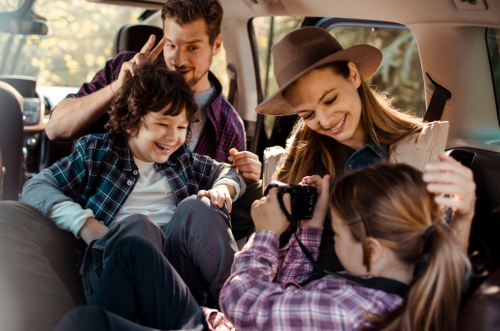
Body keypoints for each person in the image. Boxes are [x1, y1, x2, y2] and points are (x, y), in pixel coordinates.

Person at [53, 163, 470, 331]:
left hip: (232, 321)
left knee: (87, 322)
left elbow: (242, 301)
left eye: (338, 236)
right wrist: (314, 225)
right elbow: (289, 296)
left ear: (374, 250)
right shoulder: (404, 283)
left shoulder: (343, 311)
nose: (334, 241)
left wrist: (267, 234)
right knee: (133, 251)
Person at [0, 63, 244, 331]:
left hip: (172, 282)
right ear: (131, 122)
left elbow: (228, 171)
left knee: (202, 207)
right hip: (115, 274)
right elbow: (36, 186)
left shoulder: (183, 161)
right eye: (162, 124)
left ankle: (244, 306)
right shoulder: (97, 153)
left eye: (182, 127)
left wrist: (224, 187)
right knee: (139, 227)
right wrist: (85, 224)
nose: (173, 138)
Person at [255, 27, 476, 271]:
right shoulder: (301, 154)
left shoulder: (418, 153)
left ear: (353, 75)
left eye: (330, 100)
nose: (326, 121)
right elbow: (275, 252)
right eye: (308, 114)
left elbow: (443, 276)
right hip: (300, 297)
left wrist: (463, 217)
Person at [44, 0, 261, 238]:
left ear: (216, 45)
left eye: (192, 47)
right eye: (171, 45)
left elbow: (222, 205)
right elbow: (55, 128)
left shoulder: (229, 124)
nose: (178, 60)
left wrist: (242, 175)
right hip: (98, 226)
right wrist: (117, 89)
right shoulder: (126, 70)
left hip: (177, 244)